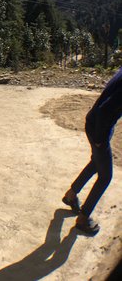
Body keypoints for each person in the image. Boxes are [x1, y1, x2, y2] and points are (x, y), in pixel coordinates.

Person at [62, 66, 122, 235]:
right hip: (99, 128)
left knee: (96, 163)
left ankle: (71, 195)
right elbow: (105, 109)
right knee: (105, 176)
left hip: (94, 122)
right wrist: (100, 140)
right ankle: (83, 219)